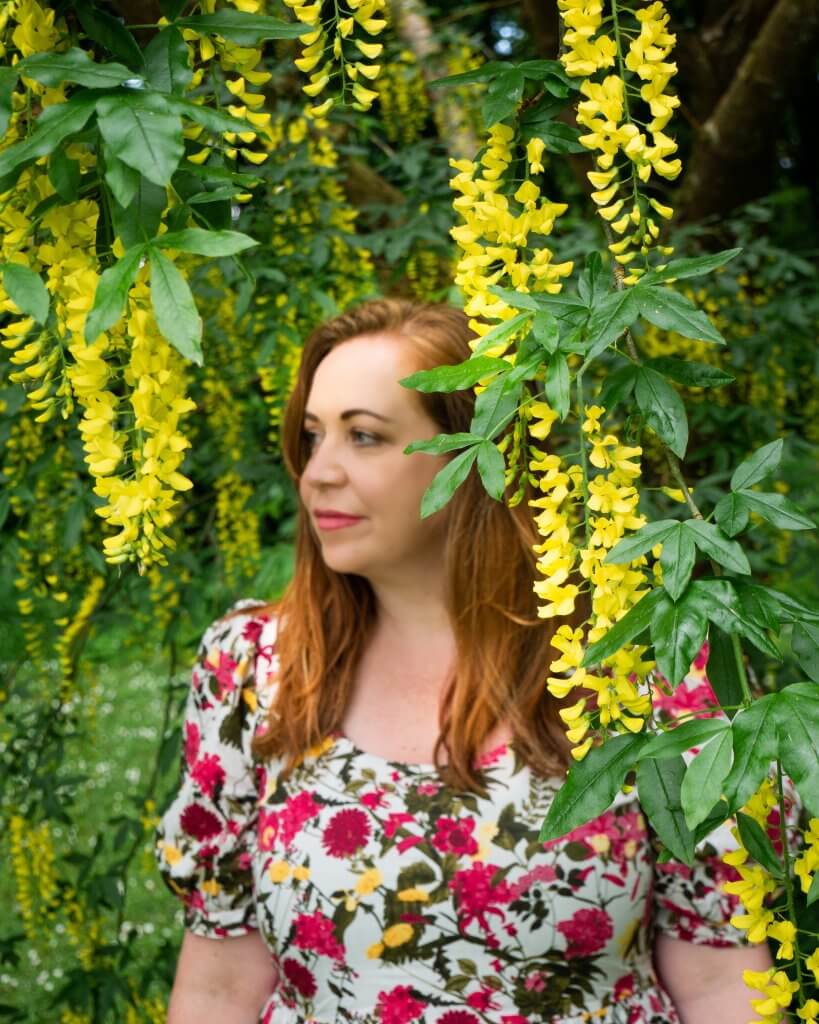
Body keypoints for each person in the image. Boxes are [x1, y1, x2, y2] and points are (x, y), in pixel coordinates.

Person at [155, 298, 780, 1024]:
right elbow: (218, 982)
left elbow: (718, 980)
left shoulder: (642, 671)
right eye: (311, 435)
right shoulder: (252, 668)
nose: (316, 473)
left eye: (363, 436)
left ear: (482, 452)